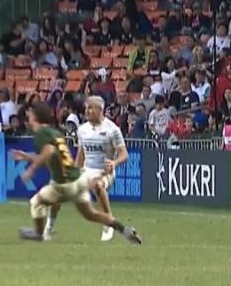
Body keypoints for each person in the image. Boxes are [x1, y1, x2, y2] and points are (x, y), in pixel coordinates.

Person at [11, 103, 142, 244]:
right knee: (91, 214)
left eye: (30, 115)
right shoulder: (54, 133)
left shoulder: (41, 134)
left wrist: (31, 169)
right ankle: (125, 230)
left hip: (63, 183)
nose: (28, 118)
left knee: (36, 202)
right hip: (77, 179)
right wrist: (28, 157)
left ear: (36, 117)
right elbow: (51, 155)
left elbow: (49, 151)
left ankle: (39, 233)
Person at [45, 96, 128, 242]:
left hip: (104, 172)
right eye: (86, 108)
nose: (87, 111)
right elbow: (81, 154)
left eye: (90, 108)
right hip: (86, 170)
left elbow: (124, 154)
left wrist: (114, 163)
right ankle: (49, 227)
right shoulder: (82, 130)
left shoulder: (112, 130)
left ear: (100, 110)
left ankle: (108, 223)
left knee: (98, 185)